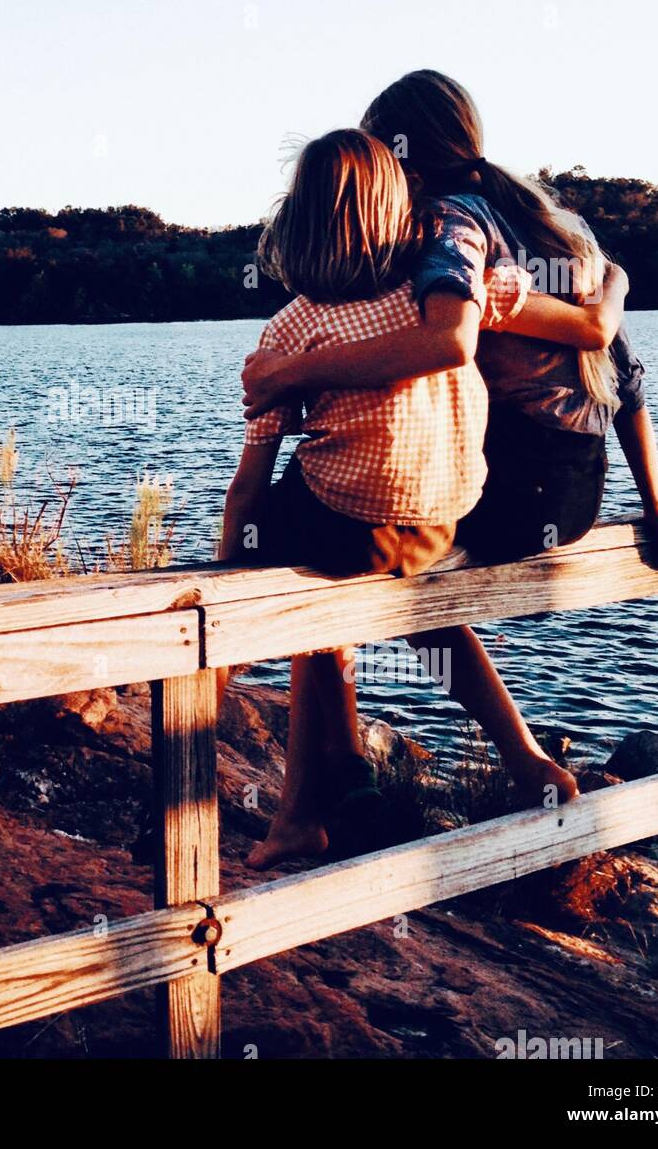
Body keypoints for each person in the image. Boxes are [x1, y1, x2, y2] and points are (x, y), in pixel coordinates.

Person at [220, 127, 576, 871]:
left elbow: (252, 479)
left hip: (354, 525)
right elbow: (559, 309)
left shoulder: (295, 325)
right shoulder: (446, 288)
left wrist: (228, 576)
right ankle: (526, 756)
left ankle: (316, 799)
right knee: (422, 615)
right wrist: (608, 291)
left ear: (300, 219)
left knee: (287, 570)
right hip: (443, 518)